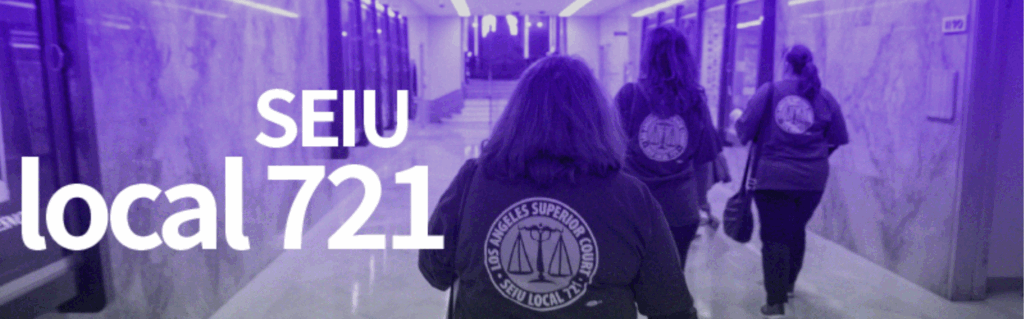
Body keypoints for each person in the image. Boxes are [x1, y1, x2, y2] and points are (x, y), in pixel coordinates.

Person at [419, 55, 698, 319]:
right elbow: (669, 305)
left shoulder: (472, 183)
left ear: (516, 115)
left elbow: (434, 270)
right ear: (598, 119)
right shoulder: (632, 197)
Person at [733, 44, 849, 317]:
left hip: (774, 177)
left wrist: (736, 117)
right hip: (813, 181)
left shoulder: (770, 91)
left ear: (786, 64)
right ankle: (787, 285)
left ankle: (775, 301)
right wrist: (816, 155)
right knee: (795, 230)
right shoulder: (825, 97)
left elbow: (745, 131)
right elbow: (838, 138)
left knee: (774, 235)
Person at [614, 25, 721, 293]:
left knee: (624, 288)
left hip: (631, 209)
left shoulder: (629, 95)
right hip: (680, 211)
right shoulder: (695, 100)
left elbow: (608, 153)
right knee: (668, 290)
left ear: (646, 56)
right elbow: (703, 160)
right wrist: (701, 203)